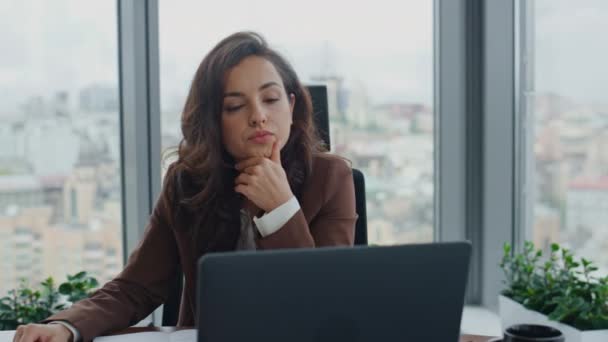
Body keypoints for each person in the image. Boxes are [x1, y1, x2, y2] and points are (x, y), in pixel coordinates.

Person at [13, 31, 357, 342]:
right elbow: (135, 287)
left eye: (271, 99)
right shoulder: (187, 183)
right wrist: (66, 326)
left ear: (292, 105)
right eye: (235, 106)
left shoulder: (331, 178)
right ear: (213, 121)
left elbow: (323, 306)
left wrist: (282, 209)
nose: (258, 116)